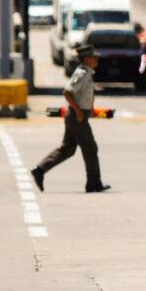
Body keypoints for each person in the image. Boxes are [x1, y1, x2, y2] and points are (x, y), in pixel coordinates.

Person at [31, 45, 110, 193]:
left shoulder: (87, 73)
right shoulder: (81, 73)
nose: (96, 59)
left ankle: (40, 170)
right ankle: (94, 184)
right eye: (93, 57)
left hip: (78, 115)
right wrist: (79, 112)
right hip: (76, 116)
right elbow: (67, 92)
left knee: (67, 149)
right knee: (90, 148)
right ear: (86, 58)